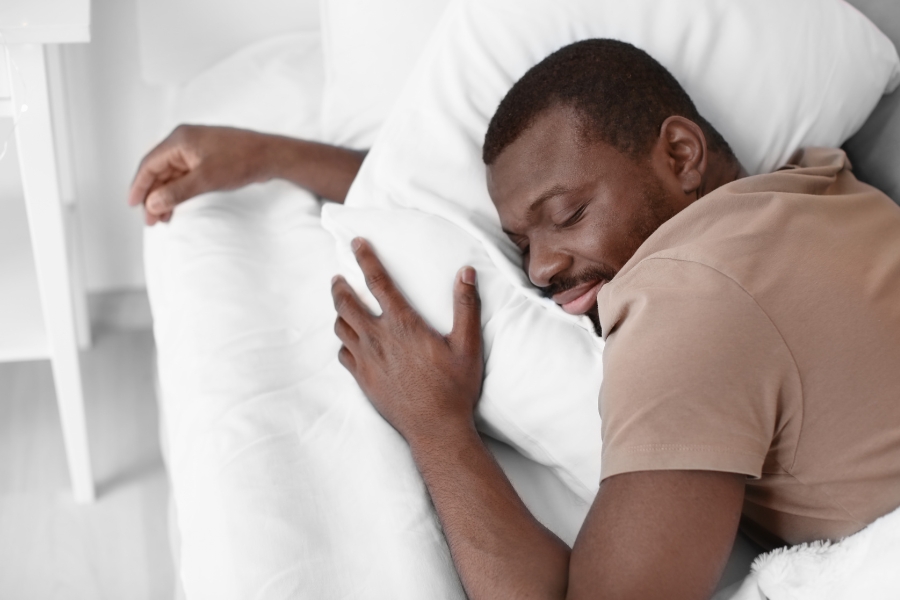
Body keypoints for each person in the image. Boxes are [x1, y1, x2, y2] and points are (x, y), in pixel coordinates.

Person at [130, 39, 900, 600]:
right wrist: (267, 155)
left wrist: (437, 428)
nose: (538, 269)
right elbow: (445, 219)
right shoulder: (816, 186)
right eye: (522, 243)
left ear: (681, 152)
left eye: (566, 215)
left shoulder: (690, 305)